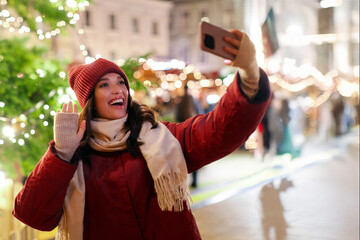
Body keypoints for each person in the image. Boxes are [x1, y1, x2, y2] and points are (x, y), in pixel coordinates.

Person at [13, 29, 271, 240]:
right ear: (90, 100)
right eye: (104, 85)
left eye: (121, 82)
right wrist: (61, 155)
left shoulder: (162, 136)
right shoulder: (75, 155)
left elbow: (218, 131)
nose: (118, 90)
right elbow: (32, 214)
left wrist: (249, 76)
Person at [175, 84, 200, 188]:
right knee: (193, 156)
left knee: (184, 157)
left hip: (184, 131)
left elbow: (178, 115)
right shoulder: (192, 100)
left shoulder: (182, 101)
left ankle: (187, 181)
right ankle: (194, 181)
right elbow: (199, 113)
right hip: (192, 130)